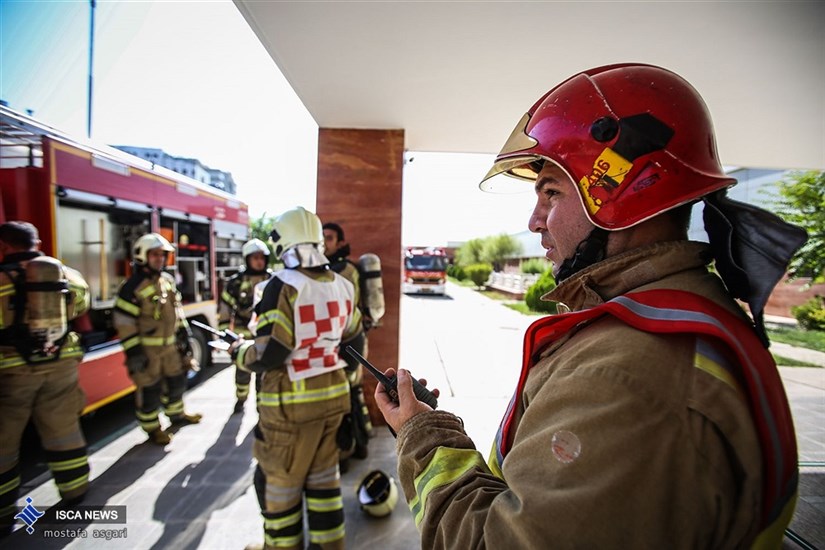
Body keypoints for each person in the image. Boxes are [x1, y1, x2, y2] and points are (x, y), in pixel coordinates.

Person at [375, 64, 805, 549]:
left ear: (619, 188)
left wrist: (419, 435)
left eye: (552, 192)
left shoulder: (626, 376)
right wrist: (426, 424)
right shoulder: (663, 323)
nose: (535, 221)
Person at [232, 207, 364, 550]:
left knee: (279, 486)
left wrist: (239, 353)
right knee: (324, 483)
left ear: (282, 243)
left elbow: (271, 351)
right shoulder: (344, 285)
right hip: (334, 402)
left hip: (288, 410)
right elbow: (355, 345)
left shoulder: (281, 285)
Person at [0, 221, 91, 535]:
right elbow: (82, 304)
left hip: (12, 371)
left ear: (5, 246)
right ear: (35, 242)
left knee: (5, 443)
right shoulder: (67, 275)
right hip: (61, 364)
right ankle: (76, 491)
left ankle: (4, 511)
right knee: (64, 429)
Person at [113, 233, 201, 446]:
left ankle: (177, 415)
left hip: (170, 348)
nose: (160, 259)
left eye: (162, 255)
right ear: (143, 256)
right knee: (150, 390)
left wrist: (185, 337)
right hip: (147, 351)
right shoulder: (132, 286)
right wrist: (134, 353)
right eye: (155, 254)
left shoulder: (167, 281)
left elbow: (177, 313)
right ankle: (152, 429)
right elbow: (124, 322)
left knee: (177, 382)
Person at [322, 222, 382, 465]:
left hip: (349, 342)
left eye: (329, 238)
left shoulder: (345, 270)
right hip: (344, 341)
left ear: (340, 243)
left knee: (346, 395)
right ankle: (360, 441)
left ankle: (348, 449)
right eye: (321, 237)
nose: (324, 242)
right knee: (352, 393)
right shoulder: (328, 268)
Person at [219, 238, 273, 413]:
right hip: (243, 337)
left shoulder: (273, 280)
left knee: (262, 373)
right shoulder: (236, 282)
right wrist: (225, 334)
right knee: (242, 371)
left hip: (264, 335)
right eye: (255, 258)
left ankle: (260, 405)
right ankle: (241, 399)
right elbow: (225, 309)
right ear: (247, 259)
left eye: (262, 257)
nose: (259, 261)